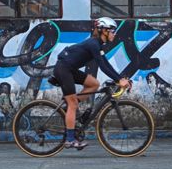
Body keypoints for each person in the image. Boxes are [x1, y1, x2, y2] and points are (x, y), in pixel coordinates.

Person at [53, 17, 131, 150]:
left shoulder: (98, 45)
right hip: (63, 70)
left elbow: (105, 63)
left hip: (69, 69)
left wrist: (120, 78)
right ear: (104, 31)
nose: (114, 34)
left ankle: (69, 106)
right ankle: (70, 140)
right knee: (73, 104)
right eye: (112, 31)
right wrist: (119, 80)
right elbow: (103, 66)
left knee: (94, 84)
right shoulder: (93, 44)